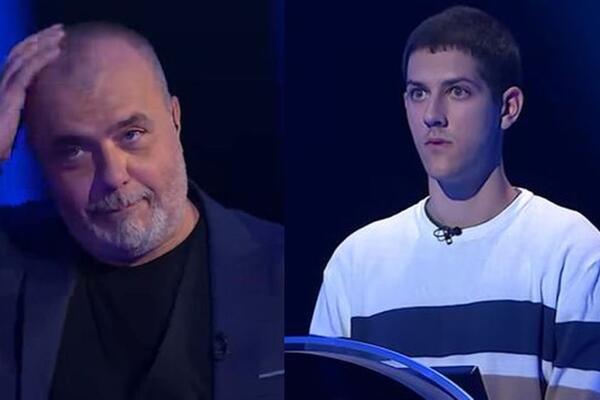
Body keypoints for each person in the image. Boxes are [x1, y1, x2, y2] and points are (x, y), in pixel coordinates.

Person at [310, 6, 600, 400]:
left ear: (508, 108)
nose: (432, 115)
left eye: (457, 91)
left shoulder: (571, 250)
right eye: (418, 93)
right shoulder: (356, 263)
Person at [0, 22, 283, 400]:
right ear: (39, 161)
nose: (113, 176)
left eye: (131, 135)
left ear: (175, 119)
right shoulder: (13, 260)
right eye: (74, 151)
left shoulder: (280, 268)